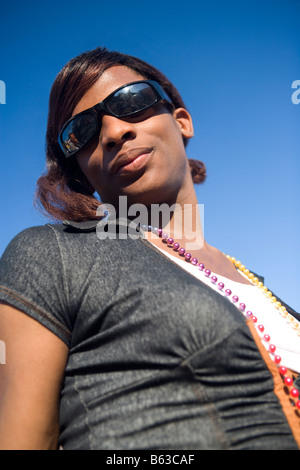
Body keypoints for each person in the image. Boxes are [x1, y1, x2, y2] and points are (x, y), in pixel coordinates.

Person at [0, 47, 299, 451]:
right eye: (81, 132)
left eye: (132, 101)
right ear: (82, 170)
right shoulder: (52, 255)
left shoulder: (265, 292)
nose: (112, 132)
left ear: (182, 121)